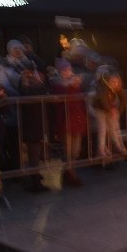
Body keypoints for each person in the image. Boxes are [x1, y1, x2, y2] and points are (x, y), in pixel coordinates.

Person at [49, 58, 88, 186]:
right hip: (65, 121)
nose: (67, 72)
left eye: (69, 69)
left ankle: (68, 172)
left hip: (76, 120)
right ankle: (71, 174)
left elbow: (81, 102)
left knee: (75, 151)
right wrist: (72, 86)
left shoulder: (76, 83)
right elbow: (62, 99)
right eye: (64, 70)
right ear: (60, 71)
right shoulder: (56, 85)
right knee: (68, 150)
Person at [92, 69, 127, 159]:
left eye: (117, 82)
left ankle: (120, 147)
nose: (116, 84)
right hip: (99, 109)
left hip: (110, 109)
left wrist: (118, 111)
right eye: (113, 82)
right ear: (107, 81)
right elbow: (103, 100)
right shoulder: (102, 87)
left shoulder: (117, 87)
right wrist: (110, 110)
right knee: (102, 129)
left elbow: (124, 99)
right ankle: (101, 150)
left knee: (115, 128)